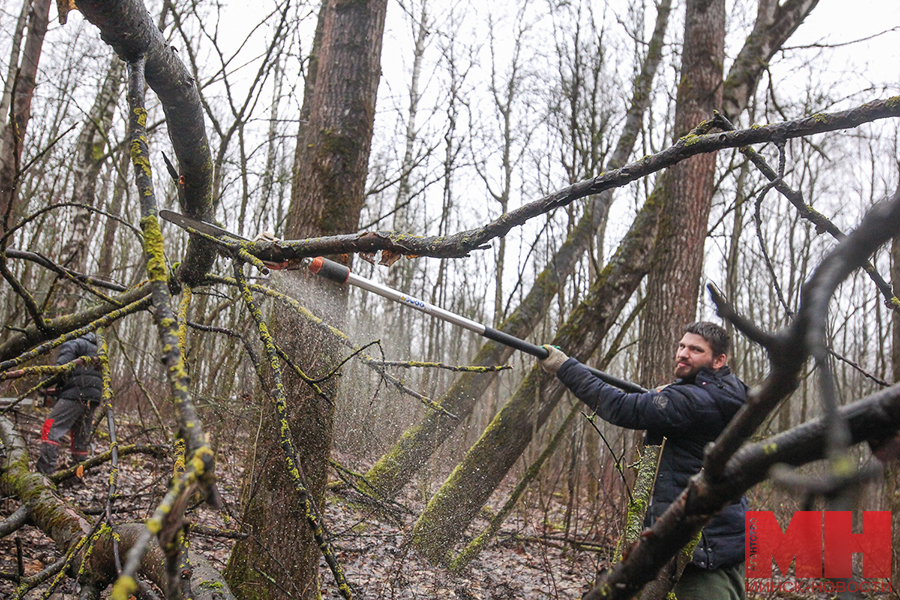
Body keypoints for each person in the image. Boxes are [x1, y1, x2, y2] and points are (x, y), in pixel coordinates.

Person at [539, 321, 747, 600]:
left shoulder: (695, 401)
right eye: (682, 346)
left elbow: (622, 408)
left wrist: (565, 367)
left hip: (705, 549)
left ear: (719, 360)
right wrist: (666, 395)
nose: (683, 353)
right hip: (718, 540)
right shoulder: (727, 392)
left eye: (696, 350)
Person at [36, 332, 102, 476]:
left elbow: (60, 369)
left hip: (75, 395)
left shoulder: (73, 343)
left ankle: (45, 474)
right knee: (80, 437)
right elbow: (81, 374)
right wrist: (60, 389)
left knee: (51, 427)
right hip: (93, 398)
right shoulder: (97, 348)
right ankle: (77, 476)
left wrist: (43, 384)